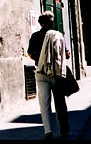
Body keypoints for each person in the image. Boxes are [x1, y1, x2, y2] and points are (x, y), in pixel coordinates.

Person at [27, 11, 70, 140]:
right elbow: (67, 54)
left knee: (44, 102)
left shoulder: (35, 36)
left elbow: (30, 53)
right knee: (59, 101)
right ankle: (63, 128)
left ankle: (48, 131)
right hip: (56, 73)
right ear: (52, 21)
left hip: (41, 73)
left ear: (40, 23)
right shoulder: (59, 35)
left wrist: (39, 59)